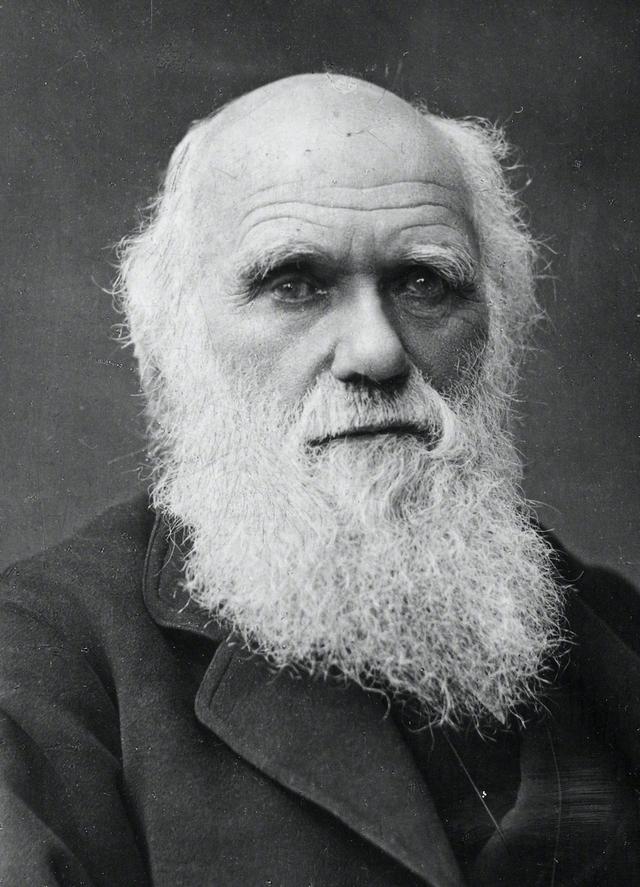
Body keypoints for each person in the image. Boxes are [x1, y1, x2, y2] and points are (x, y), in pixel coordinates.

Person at [1, 73, 639, 887]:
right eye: (294, 285)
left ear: (498, 329)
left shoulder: (612, 630)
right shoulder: (38, 665)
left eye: (424, 282)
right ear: (167, 349)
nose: (376, 351)